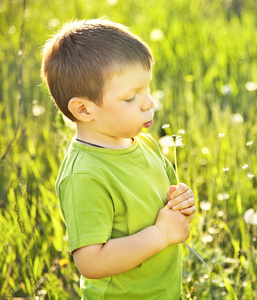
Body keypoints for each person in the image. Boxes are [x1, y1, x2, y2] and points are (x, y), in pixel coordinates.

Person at [41, 19, 196, 299]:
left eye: (147, 88)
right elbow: (91, 262)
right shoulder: (86, 175)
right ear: (85, 110)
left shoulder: (145, 143)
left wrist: (181, 201)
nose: (149, 102)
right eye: (130, 97)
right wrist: (161, 234)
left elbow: (164, 202)